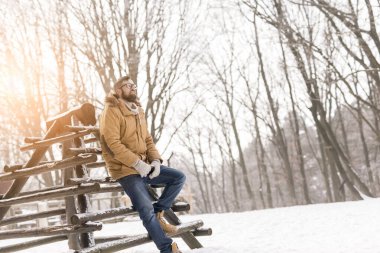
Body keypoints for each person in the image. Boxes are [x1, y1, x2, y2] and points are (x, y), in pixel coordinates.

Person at [99, 75, 186, 253]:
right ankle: (167, 248)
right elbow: (113, 144)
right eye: (127, 85)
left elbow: (147, 139)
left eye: (134, 85)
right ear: (118, 90)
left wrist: (155, 161)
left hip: (145, 166)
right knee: (145, 209)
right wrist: (138, 164)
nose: (133, 87)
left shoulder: (137, 109)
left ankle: (159, 212)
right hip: (125, 170)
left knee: (178, 178)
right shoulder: (111, 110)